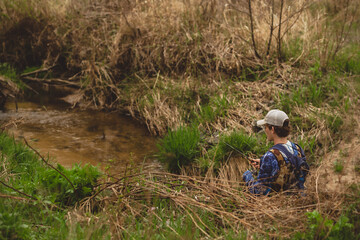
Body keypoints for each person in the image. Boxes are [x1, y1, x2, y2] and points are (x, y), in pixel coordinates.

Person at [243, 109, 309, 195]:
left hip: (280, 205)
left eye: (266, 127)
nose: (265, 130)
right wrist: (263, 163)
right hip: (298, 200)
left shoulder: (270, 156)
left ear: (272, 129)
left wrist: (247, 176)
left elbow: (258, 191)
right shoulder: (297, 148)